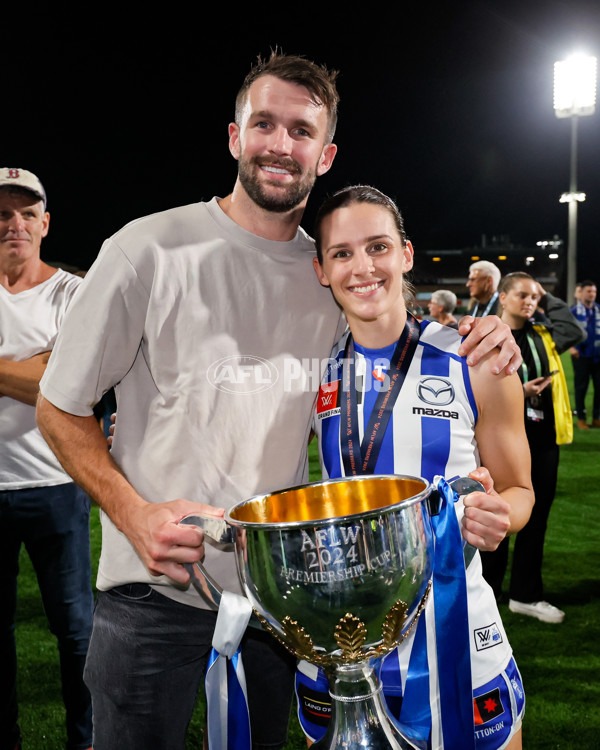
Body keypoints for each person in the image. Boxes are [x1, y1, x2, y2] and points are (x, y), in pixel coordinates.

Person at [35, 54, 522, 750]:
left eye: (301, 130)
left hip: (291, 605)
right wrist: (132, 513)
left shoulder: (328, 272)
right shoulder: (146, 250)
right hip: (155, 590)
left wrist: (485, 331)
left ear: (323, 155)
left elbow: (399, 330)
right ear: (235, 136)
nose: (280, 144)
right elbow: (59, 405)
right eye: (264, 123)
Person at [296, 186, 534, 750]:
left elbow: (520, 488)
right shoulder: (311, 373)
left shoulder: (478, 359)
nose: (363, 267)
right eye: (342, 253)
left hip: (456, 629)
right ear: (322, 270)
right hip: (344, 637)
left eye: (377, 246)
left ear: (405, 254)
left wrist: (504, 515)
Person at [0, 168, 93, 750]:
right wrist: (30, 367)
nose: (14, 225)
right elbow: (38, 378)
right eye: (3, 214)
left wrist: (46, 374)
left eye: (25, 213)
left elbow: (64, 388)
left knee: (76, 630)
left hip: (56, 482)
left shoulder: (73, 293)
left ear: (45, 223)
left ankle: (84, 740)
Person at [480, 272, 584, 624]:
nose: (530, 302)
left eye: (535, 297)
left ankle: (525, 595)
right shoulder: (487, 336)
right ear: (503, 297)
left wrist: (543, 294)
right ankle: (487, 594)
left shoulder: (544, 334)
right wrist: (518, 394)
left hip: (542, 438)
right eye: (522, 295)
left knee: (536, 519)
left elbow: (576, 331)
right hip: (501, 440)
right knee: (496, 518)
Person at [569, 280, 600, 430]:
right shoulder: (574, 312)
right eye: (589, 291)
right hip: (580, 356)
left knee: (599, 388)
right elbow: (565, 332)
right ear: (581, 293)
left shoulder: (598, 310)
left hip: (597, 356)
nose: (592, 294)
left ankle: (596, 417)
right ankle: (581, 418)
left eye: (594, 291)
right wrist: (571, 348)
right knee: (581, 388)